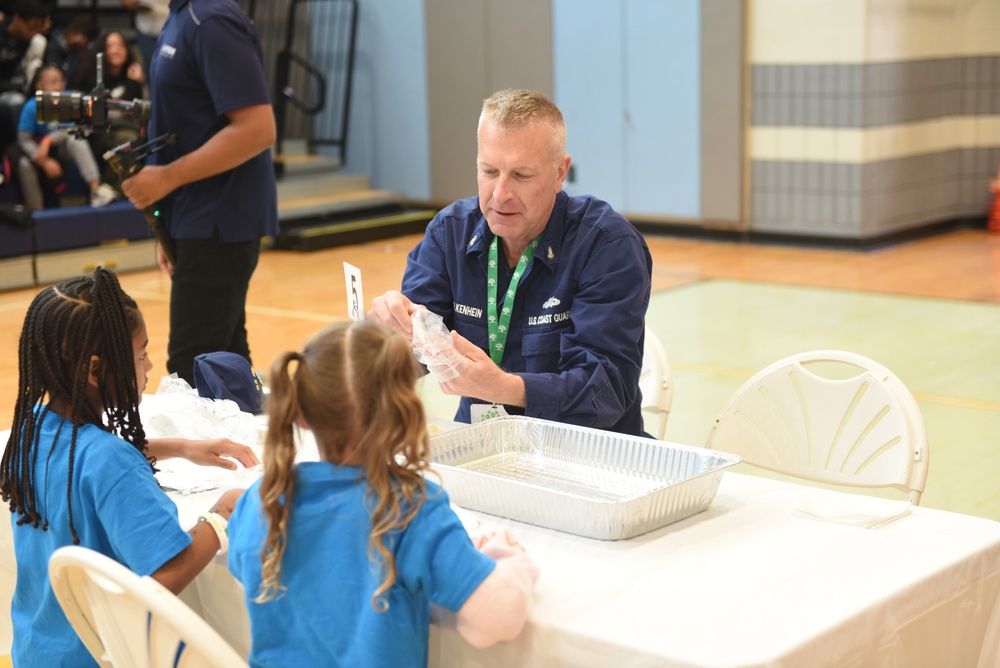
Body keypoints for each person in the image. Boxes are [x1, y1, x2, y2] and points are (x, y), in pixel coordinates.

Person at [227, 320, 539, 667]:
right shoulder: (411, 510)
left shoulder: (261, 500)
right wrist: (508, 557)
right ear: (403, 414)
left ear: (301, 413)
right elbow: (498, 620)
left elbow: (246, 574)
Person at [0, 266, 259, 667]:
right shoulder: (110, 463)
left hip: (39, 652)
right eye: (140, 354)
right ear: (94, 369)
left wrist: (181, 447)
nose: (150, 365)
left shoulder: (31, 428)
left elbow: (86, 460)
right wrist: (222, 515)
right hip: (103, 656)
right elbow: (164, 577)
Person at [369, 89, 653, 436]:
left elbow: (606, 391)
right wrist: (389, 338)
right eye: (489, 171)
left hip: (588, 460)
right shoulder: (450, 234)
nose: (500, 194)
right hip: (484, 452)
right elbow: (411, 355)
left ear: (560, 172)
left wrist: (503, 388)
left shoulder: (607, 246)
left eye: (521, 175)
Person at [121, 0, 278, 388]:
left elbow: (257, 128)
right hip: (196, 219)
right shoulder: (179, 16)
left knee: (193, 367)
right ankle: (252, 444)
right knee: (224, 357)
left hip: (221, 218)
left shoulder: (211, 19)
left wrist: (168, 178)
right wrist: (170, 222)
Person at [11, 64, 115, 209]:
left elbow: (71, 129)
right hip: (38, 153)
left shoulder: (69, 99)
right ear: (39, 86)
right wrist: (43, 160)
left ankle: (95, 189)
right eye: (52, 82)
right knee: (24, 164)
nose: (58, 86)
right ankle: (36, 213)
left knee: (77, 141)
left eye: (61, 81)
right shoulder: (31, 106)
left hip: (60, 149)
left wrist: (48, 140)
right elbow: (23, 138)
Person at [72, 29, 146, 193]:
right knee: (127, 141)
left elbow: (134, 112)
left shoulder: (131, 77)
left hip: (127, 128)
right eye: (110, 46)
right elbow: (106, 113)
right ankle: (115, 192)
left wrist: (135, 84)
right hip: (98, 133)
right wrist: (132, 85)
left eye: (120, 46)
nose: (116, 50)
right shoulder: (93, 78)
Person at [0, 0, 48, 152]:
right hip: (6, 93)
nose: (33, 32)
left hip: (22, 92)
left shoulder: (36, 43)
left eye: (38, 29)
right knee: (16, 105)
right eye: (31, 27)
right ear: (17, 18)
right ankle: (16, 153)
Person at [120, 0, 168, 85]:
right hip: (145, 28)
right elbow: (126, 3)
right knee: (150, 69)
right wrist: (135, 4)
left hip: (170, 25)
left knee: (169, 68)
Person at [42, 13, 96, 87]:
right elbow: (64, 79)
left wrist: (79, 52)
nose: (76, 39)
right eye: (75, 34)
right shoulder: (55, 46)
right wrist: (76, 54)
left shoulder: (85, 51)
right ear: (69, 31)